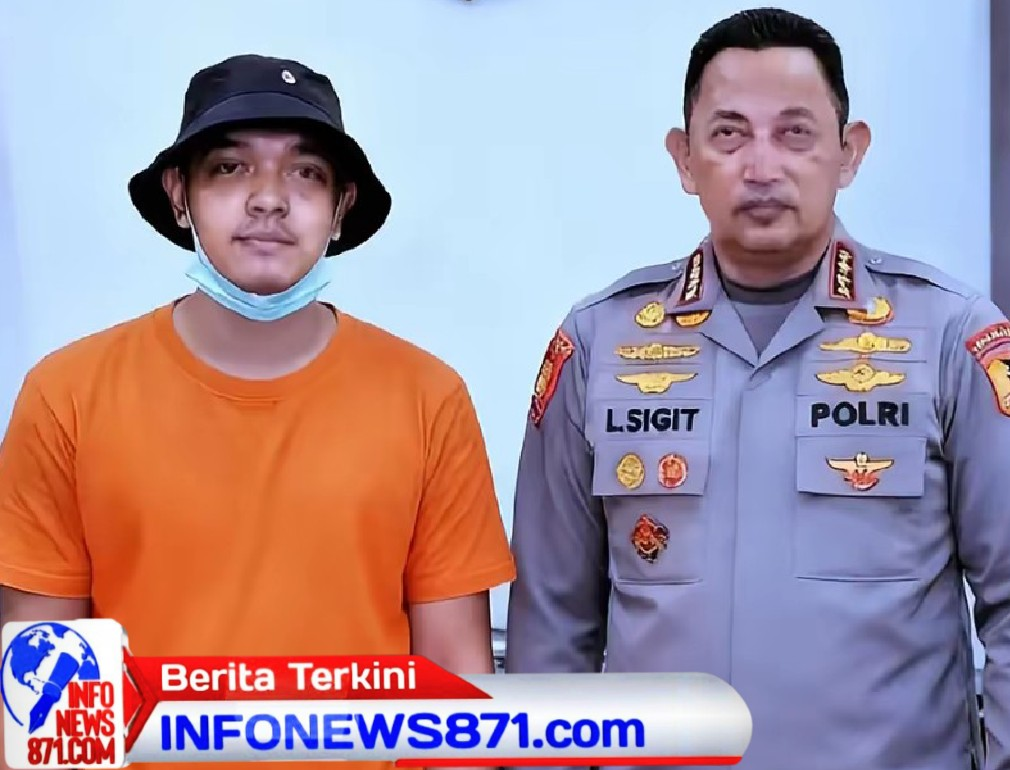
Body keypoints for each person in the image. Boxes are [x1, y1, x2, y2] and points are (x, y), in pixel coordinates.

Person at [505, 8, 1007, 770]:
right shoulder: (598, 343)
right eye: (730, 134)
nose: (762, 166)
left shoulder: (950, 337)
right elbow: (550, 632)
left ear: (849, 152)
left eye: (795, 133)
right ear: (684, 159)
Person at [0, 54, 515, 770]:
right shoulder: (68, 397)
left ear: (341, 206)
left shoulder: (427, 399)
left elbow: (457, 682)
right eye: (230, 168)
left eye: (305, 172)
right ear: (179, 195)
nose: (269, 199)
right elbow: (44, 690)